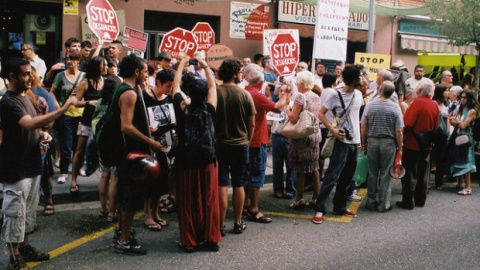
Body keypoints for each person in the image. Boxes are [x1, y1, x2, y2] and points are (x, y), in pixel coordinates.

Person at [0, 58, 75, 270]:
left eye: (30, 73)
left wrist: (42, 134)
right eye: (25, 74)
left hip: (31, 163)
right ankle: (14, 257)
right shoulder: (9, 101)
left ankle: (24, 248)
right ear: (12, 76)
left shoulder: (27, 97)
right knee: (14, 213)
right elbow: (28, 122)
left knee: (28, 212)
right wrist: (61, 111)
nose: (30, 77)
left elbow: (32, 127)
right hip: (16, 167)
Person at [113, 54, 162, 255]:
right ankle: (124, 239)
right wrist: (150, 141)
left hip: (127, 152)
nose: (146, 75)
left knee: (126, 195)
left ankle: (121, 233)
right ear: (136, 72)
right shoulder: (129, 93)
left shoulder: (124, 89)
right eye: (144, 71)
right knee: (129, 198)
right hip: (131, 154)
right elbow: (126, 126)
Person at [173, 56, 221, 252]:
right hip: (208, 160)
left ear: (189, 94)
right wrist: (206, 67)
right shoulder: (210, 109)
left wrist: (182, 63)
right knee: (209, 200)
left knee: (187, 202)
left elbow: (175, 87)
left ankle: (189, 240)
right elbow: (213, 88)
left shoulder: (183, 109)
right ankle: (210, 239)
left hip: (186, 161)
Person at [313, 64, 364, 224]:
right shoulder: (335, 95)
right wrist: (332, 129)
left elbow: (357, 117)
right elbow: (320, 114)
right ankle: (320, 208)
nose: (363, 78)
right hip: (341, 142)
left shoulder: (359, 94)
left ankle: (339, 206)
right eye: (360, 76)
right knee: (332, 176)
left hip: (354, 142)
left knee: (347, 177)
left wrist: (361, 140)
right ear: (354, 79)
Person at [216, 58, 256, 235]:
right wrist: (247, 140)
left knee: (221, 185)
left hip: (220, 144)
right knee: (239, 184)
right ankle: (238, 222)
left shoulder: (215, 92)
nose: (241, 75)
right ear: (234, 74)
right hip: (240, 144)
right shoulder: (244, 94)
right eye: (240, 72)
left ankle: (221, 224)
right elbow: (252, 124)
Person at [243, 65, 288, 223]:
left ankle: (246, 204)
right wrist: (285, 94)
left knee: (246, 174)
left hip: (244, 140)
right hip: (256, 140)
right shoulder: (256, 95)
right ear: (261, 82)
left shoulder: (244, 92)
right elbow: (277, 108)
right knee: (256, 175)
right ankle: (254, 209)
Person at [361, 81, 404, 212]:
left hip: (372, 141)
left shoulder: (370, 105)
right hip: (389, 143)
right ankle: (384, 204)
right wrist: (400, 147)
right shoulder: (395, 107)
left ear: (380, 91)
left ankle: (371, 201)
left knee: (372, 173)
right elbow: (399, 130)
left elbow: (363, 126)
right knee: (386, 174)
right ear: (392, 93)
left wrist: (364, 143)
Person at [397, 79, 439, 210]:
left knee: (409, 173)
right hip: (427, 145)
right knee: (423, 174)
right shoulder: (434, 105)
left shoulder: (417, 103)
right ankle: (420, 199)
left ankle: (408, 201)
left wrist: (401, 138)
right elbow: (436, 126)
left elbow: (408, 124)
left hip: (412, 144)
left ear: (420, 90)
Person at [141, 68, 175, 231]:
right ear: (159, 83)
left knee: (162, 182)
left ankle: (155, 213)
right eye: (168, 86)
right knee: (150, 181)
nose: (169, 90)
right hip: (151, 144)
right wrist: (146, 128)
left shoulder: (169, 98)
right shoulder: (145, 98)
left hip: (166, 143)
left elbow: (171, 122)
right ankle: (147, 214)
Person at [70, 56, 106, 197]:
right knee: (79, 150)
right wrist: (88, 102)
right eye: (103, 65)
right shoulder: (84, 83)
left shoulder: (105, 81)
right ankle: (73, 180)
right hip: (86, 120)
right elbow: (75, 102)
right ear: (96, 67)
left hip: (101, 121)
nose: (105, 68)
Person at [286, 70, 322, 210]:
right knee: (314, 167)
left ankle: (299, 199)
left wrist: (286, 107)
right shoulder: (316, 96)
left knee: (301, 169)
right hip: (315, 134)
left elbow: (293, 118)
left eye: (297, 81)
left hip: (302, 136)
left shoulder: (300, 97)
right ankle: (316, 197)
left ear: (301, 83)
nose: (296, 84)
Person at [50, 53, 86, 184]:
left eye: (73, 59)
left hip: (81, 114)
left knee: (79, 145)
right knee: (66, 144)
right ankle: (64, 172)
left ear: (79, 61)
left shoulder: (84, 76)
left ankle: (79, 168)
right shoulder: (60, 76)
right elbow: (52, 92)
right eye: (68, 59)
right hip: (65, 114)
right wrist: (56, 104)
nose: (70, 62)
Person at [93, 76, 122, 222]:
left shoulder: (99, 102)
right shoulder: (117, 103)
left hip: (100, 142)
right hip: (114, 143)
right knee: (114, 178)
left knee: (104, 175)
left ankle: (103, 208)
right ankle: (112, 212)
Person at [31, 69, 56, 216]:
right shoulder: (15, 96)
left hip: (40, 143)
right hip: (22, 144)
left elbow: (51, 119)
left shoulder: (42, 95)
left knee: (44, 173)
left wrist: (42, 133)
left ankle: (48, 200)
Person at [447, 91, 478, 195]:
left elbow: (464, 125)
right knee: (458, 159)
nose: (463, 99)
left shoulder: (472, 110)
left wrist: (457, 122)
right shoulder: (461, 108)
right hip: (458, 135)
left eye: (465, 98)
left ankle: (468, 187)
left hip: (467, 137)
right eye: (462, 97)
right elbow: (453, 121)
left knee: (466, 161)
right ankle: (460, 182)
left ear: (470, 98)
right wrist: (457, 122)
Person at [269, 84, 296, 199]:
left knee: (291, 165)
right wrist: (268, 138)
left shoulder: (294, 106)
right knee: (277, 165)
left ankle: (290, 189)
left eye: (286, 91)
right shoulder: (274, 106)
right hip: (276, 137)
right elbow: (268, 123)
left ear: (291, 94)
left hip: (289, 138)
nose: (282, 93)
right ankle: (278, 189)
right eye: (280, 91)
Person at [318, 72, 337, 182]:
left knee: (321, 153)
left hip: (321, 124)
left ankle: (320, 174)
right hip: (330, 125)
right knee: (331, 152)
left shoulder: (320, 91)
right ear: (333, 82)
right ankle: (330, 176)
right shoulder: (334, 93)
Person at [431, 85, 449, 190]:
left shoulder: (447, 103)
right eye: (446, 91)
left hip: (443, 135)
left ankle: (439, 182)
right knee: (430, 157)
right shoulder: (433, 103)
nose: (448, 93)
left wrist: (447, 131)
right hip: (433, 133)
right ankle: (426, 181)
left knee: (441, 158)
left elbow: (447, 120)